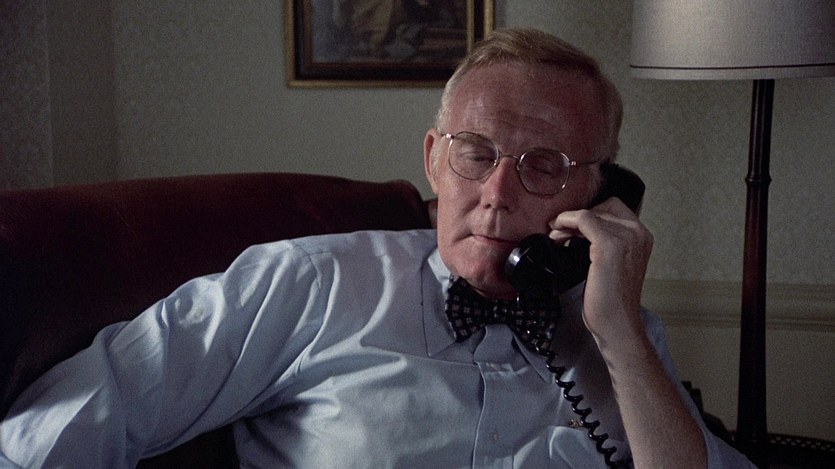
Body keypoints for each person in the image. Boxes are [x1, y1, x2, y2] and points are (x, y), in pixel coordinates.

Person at [0, 28, 753, 468]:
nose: (496, 193)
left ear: (598, 193)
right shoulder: (308, 282)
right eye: (475, 153)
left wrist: (620, 338)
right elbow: (66, 426)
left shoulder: (614, 327)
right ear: (432, 160)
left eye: (544, 166)